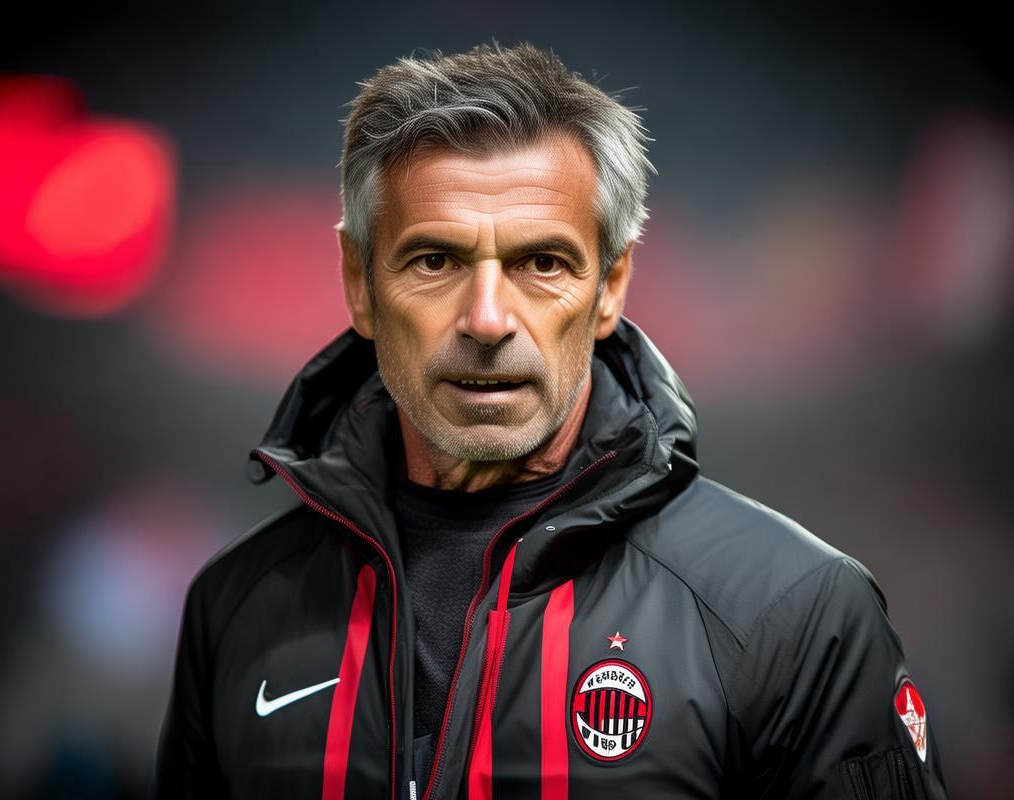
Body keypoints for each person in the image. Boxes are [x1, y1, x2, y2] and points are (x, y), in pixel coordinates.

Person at [156, 43, 948, 800]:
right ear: (359, 282)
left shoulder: (795, 609)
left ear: (611, 286)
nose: (487, 319)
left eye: (542, 263)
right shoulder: (235, 606)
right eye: (435, 261)